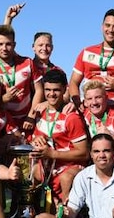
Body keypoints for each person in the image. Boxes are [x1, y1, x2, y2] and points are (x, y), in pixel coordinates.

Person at [29, 69, 89, 205]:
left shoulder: (71, 117)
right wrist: (35, 141)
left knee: (66, 178)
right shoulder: (41, 112)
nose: (51, 94)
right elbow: (36, 139)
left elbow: (84, 153)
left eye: (56, 90)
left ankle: (66, 215)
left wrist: (52, 154)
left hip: (69, 166)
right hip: (49, 165)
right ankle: (32, 212)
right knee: (30, 172)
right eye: (47, 90)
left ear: (64, 89)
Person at [69, 9, 114, 108]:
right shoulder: (86, 52)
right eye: (107, 25)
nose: (110, 30)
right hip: (90, 107)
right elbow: (74, 82)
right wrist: (77, 103)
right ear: (102, 26)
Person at [0, 23, 44, 129]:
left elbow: (39, 90)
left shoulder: (27, 63)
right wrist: (3, 99)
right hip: (4, 122)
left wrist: (31, 116)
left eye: (8, 44)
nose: (4, 48)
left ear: (14, 45)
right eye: (0, 44)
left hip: (27, 120)